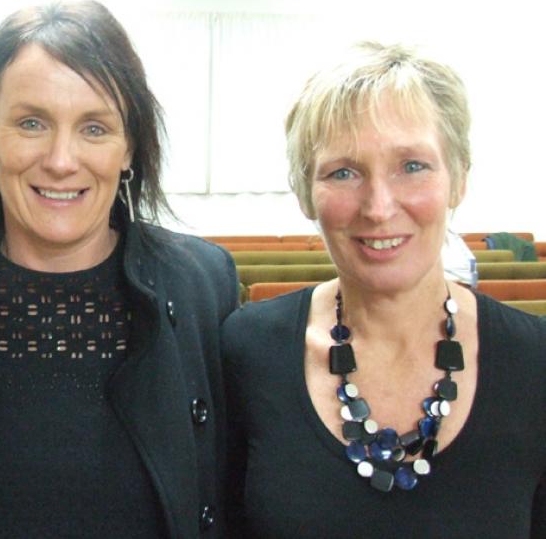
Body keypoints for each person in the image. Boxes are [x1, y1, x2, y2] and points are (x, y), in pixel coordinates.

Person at [0, 0, 239, 538]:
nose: (62, 159)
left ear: (129, 146)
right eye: (32, 123)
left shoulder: (203, 283)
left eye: (94, 128)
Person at [222, 42, 546, 537]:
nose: (378, 206)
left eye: (412, 165)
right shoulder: (247, 348)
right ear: (306, 193)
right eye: (343, 172)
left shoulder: (535, 360)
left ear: (459, 180)